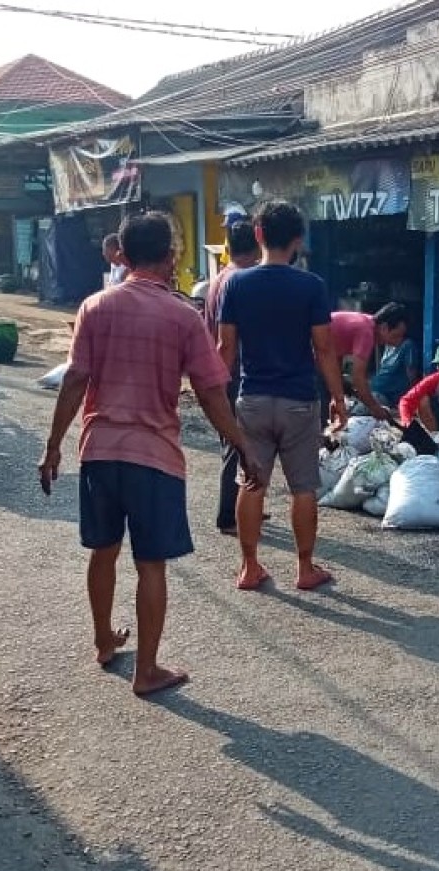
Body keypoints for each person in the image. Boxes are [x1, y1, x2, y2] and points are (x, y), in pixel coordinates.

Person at [38, 212, 260, 697]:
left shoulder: (95, 306)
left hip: (98, 450)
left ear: (124, 254)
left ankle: (103, 641)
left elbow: (75, 379)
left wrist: (53, 445)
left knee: (103, 550)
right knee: (150, 565)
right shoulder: (182, 315)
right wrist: (243, 448)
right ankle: (147, 670)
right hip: (154, 455)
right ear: (169, 256)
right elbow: (211, 393)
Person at [218, 200, 348, 592]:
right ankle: (305, 569)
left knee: (250, 482)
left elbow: (225, 349)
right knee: (303, 487)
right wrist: (337, 397)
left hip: (253, 398)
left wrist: (217, 398)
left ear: (257, 234)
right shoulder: (311, 286)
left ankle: (249, 566)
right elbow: (324, 349)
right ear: (297, 241)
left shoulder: (236, 284)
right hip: (298, 401)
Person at [204, 214, 261, 535]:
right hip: (234, 371)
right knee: (237, 443)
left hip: (221, 369)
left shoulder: (221, 277)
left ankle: (244, 505)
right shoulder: (240, 280)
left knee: (237, 442)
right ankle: (228, 514)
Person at [326, 304, 412, 421]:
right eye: (395, 336)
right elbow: (358, 378)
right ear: (384, 327)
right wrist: (374, 408)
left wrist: (336, 397)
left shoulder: (365, 324)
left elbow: (336, 357)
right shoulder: (366, 332)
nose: (397, 343)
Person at [370, 304, 419, 408]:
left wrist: (410, 402)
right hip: (374, 392)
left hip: (386, 398)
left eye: (399, 336)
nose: (396, 340)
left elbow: (411, 377)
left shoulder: (408, 346)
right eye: (395, 335)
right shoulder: (387, 345)